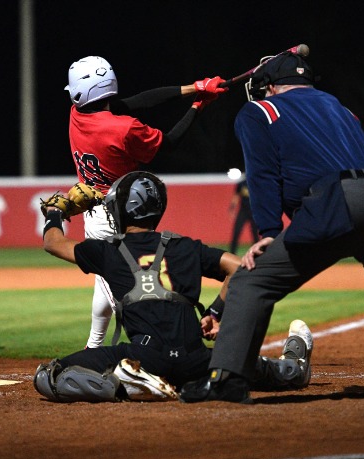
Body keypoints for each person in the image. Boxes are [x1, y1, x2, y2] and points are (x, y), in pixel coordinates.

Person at [179, 52, 364, 403]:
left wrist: (268, 232)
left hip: (337, 201)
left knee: (250, 281)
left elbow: (262, 175)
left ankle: (227, 380)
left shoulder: (261, 110)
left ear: (270, 87)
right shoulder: (340, 109)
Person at [34, 171, 314, 403]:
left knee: (50, 375)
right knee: (277, 373)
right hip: (197, 362)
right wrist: (215, 312)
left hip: (144, 357)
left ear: (122, 210)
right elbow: (242, 268)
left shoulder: (108, 251)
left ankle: (126, 383)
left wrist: (55, 212)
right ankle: (292, 365)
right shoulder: (186, 247)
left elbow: (53, 243)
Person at [65, 56, 227, 349]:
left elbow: (139, 101)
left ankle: (94, 347)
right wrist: (198, 105)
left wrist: (195, 87)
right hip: (120, 216)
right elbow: (170, 142)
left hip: (95, 212)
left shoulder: (76, 114)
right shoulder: (124, 128)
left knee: (107, 282)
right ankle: (156, 347)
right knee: (126, 291)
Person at [228, 176, 259, 254]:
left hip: (254, 212)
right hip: (243, 211)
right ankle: (232, 253)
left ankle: (257, 252)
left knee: (255, 233)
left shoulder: (256, 183)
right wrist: (232, 209)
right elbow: (236, 196)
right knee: (236, 231)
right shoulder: (241, 184)